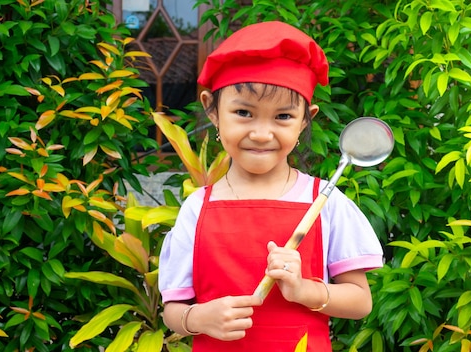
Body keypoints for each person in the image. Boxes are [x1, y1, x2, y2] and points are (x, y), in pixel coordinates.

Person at [158, 21, 384, 351]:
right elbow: (172, 310)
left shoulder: (324, 202)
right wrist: (197, 318)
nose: (262, 133)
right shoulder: (197, 209)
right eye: (243, 112)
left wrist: (304, 290)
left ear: (306, 119)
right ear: (212, 110)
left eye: (283, 117)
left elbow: (361, 301)